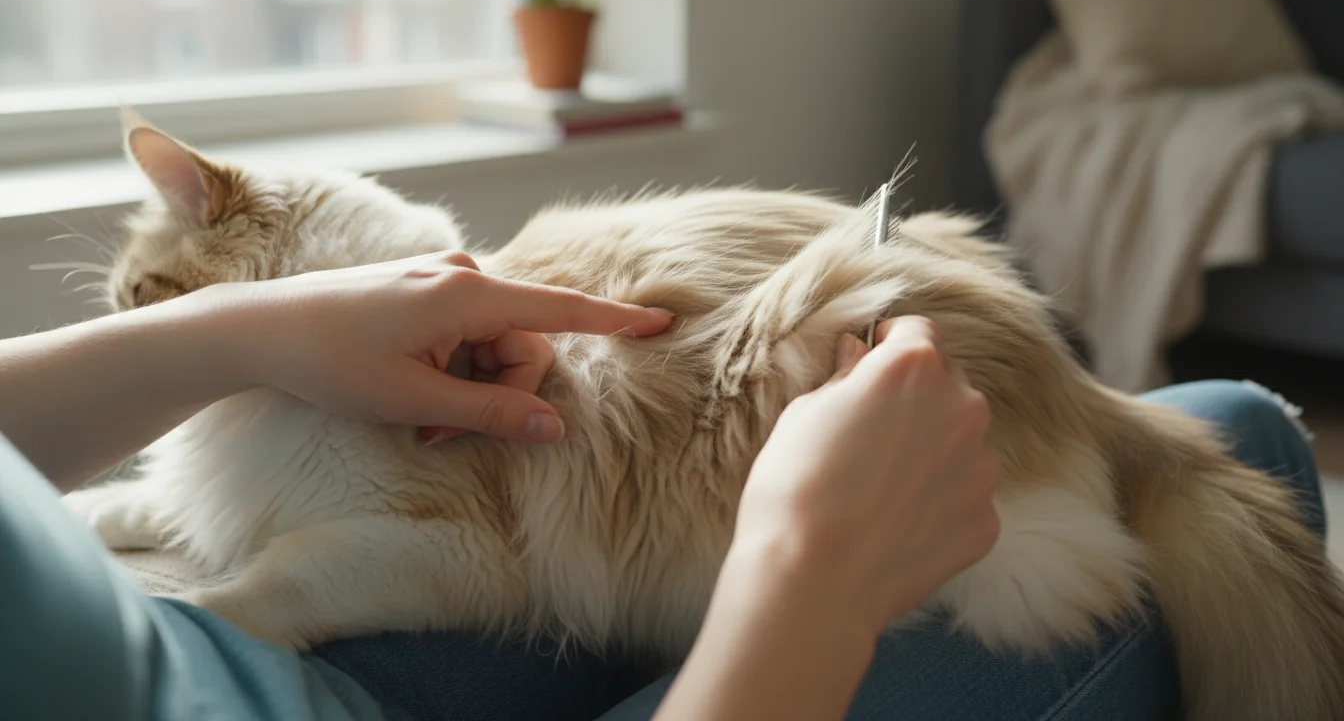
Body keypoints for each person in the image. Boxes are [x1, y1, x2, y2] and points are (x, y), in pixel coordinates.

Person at [0, 253, 1323, 721]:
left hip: (223, 668)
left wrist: (230, 331)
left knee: (1194, 445)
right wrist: (802, 578)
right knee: (1241, 437)